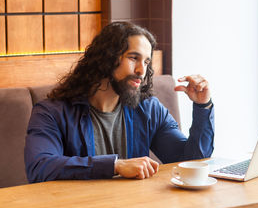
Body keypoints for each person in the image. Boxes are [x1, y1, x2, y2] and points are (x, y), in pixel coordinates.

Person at [24, 21, 215, 182]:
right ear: (106, 58)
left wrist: (202, 107)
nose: (142, 70)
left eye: (147, 62)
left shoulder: (148, 109)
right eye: (134, 58)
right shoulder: (51, 112)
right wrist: (115, 165)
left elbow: (189, 161)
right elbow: (40, 167)